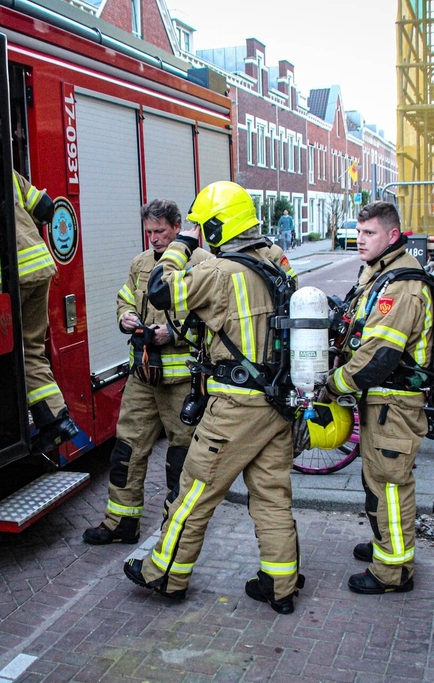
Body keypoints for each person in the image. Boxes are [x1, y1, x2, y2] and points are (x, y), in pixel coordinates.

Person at [122, 181, 304, 614]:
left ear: (219, 226)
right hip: (277, 403)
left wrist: (182, 243)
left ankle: (164, 575)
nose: (202, 233)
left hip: (235, 406)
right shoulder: (276, 260)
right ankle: (281, 584)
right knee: (272, 495)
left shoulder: (218, 273)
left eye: (206, 226)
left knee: (194, 492)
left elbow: (161, 291)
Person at [321, 201, 434, 594]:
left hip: (395, 402)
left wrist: (336, 383)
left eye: (369, 233)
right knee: (376, 480)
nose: (359, 240)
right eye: (358, 232)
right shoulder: (379, 273)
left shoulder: (402, 285)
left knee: (389, 483)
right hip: (381, 401)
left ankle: (393, 571)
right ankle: (385, 544)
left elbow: (380, 356)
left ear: (393, 235)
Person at [82, 199, 210, 546]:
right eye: (149, 231)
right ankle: (121, 522)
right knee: (127, 449)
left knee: (181, 457)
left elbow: (214, 317)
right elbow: (125, 298)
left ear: (177, 226)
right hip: (142, 375)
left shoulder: (201, 263)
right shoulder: (140, 263)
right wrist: (124, 316)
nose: (154, 238)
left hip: (182, 381)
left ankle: (176, 529)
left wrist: (177, 331)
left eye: (161, 231)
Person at [0, 135, 78, 453]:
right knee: (30, 351)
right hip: (40, 268)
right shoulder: (0, 169)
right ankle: (56, 420)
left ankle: (8, 436)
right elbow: (46, 208)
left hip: (3, 281)